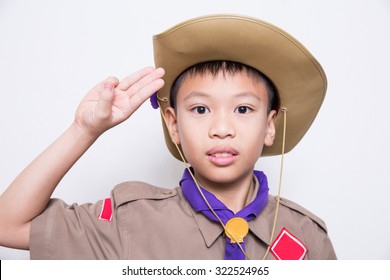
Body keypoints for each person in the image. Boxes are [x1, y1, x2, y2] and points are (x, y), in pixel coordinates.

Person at [0, 14, 336, 260]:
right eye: (201, 110)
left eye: (244, 110)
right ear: (173, 124)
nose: (221, 128)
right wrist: (83, 131)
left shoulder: (308, 235)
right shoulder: (130, 221)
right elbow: (7, 226)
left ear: (270, 126)